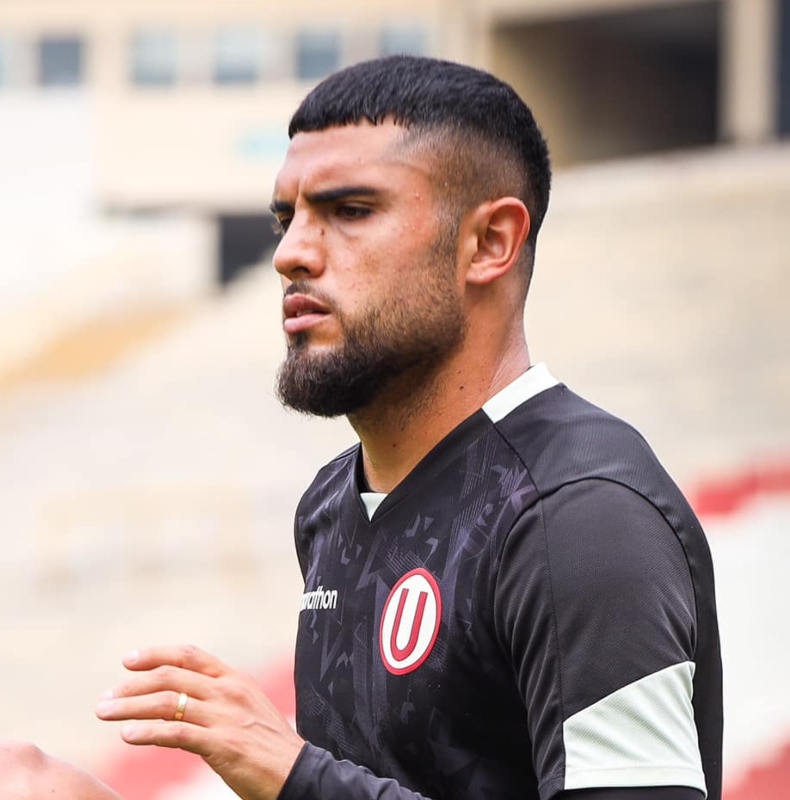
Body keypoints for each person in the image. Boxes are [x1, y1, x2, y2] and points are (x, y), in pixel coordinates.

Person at [92, 54, 723, 800]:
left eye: (350, 211)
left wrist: (297, 777)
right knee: (12, 780)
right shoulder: (331, 504)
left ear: (490, 243)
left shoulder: (578, 514)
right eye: (286, 217)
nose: (291, 252)